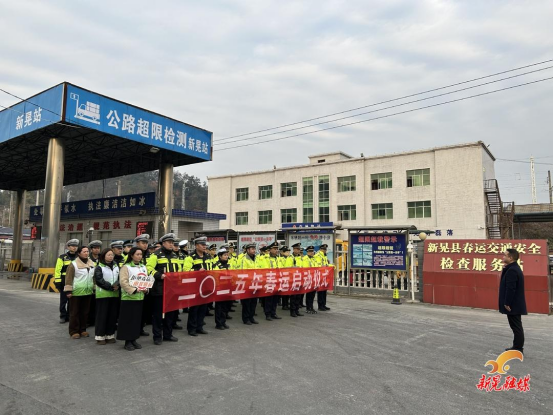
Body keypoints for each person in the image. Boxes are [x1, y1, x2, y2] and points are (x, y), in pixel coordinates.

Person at [147, 233, 181, 345]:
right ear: (163, 243)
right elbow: (148, 268)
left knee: (170, 314)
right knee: (158, 315)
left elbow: (179, 270)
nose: (172, 244)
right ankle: (157, 336)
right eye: (169, 242)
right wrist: (159, 275)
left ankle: (168, 334)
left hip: (172, 290)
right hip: (159, 289)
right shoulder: (155, 255)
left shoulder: (175, 256)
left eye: (172, 242)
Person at [118, 247, 149, 351]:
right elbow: (123, 282)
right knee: (128, 320)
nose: (140, 256)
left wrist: (146, 289)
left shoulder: (143, 267)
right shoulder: (126, 267)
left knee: (136, 320)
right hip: (128, 298)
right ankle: (127, 341)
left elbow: (146, 280)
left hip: (140, 298)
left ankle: (134, 339)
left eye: (141, 254)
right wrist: (134, 290)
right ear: (131, 255)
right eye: (137, 254)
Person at [182, 236, 213, 336]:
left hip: (205, 286)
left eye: (205, 245)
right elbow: (185, 271)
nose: (204, 246)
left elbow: (213, 268)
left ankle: (199, 327)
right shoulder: (190, 257)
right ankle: (191, 328)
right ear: (196, 246)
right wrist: (197, 271)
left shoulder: (208, 257)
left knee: (203, 308)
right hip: (195, 286)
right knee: (194, 308)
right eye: (202, 244)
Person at [499, 248, 527, 354]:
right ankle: (517, 346)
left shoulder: (512, 270)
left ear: (510, 258)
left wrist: (507, 303)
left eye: (505, 255)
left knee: (516, 326)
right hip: (514, 303)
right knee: (516, 326)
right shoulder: (513, 268)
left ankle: (518, 348)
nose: (503, 257)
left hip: (513, 304)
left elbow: (511, 288)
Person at [64, 246, 95, 339]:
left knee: (85, 312)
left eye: (87, 251)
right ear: (79, 253)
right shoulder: (73, 264)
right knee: (74, 313)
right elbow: (69, 278)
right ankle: (74, 331)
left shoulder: (92, 264)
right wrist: (68, 290)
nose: (86, 253)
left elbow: (93, 278)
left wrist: (94, 288)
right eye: (84, 251)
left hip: (88, 292)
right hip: (76, 292)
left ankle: (83, 329)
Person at [93, 248, 120, 345]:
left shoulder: (117, 266)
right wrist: (110, 287)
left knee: (112, 316)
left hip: (114, 294)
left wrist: (118, 285)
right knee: (102, 316)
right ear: (103, 256)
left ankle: (110, 335)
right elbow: (99, 280)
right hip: (103, 295)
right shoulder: (99, 267)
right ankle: (100, 336)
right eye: (108, 255)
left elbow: (120, 277)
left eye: (112, 255)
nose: (111, 257)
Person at [54, 239, 79, 324]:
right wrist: (58, 281)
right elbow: (58, 270)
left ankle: (69, 316)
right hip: (64, 280)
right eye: (72, 246)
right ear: (68, 247)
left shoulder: (79, 257)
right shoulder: (62, 257)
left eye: (76, 246)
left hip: (75, 280)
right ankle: (63, 316)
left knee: (72, 300)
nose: (74, 248)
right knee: (63, 300)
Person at [134, 233, 152, 337]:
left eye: (146, 243)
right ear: (137, 243)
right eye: (143, 243)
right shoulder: (132, 255)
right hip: (135, 286)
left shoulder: (149, 255)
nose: (145, 245)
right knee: (135, 311)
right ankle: (135, 329)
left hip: (146, 286)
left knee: (144, 309)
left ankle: (141, 328)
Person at [238, 243, 259, 325]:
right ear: (247, 250)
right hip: (247, 284)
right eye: (252, 249)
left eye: (254, 249)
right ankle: (246, 318)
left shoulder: (256, 258)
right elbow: (243, 272)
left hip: (255, 283)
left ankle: (251, 317)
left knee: (254, 302)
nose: (254, 250)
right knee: (247, 303)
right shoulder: (244, 259)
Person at [212, 247, 232, 330]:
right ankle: (218, 323)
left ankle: (223, 322)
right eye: (225, 255)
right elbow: (215, 277)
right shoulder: (216, 265)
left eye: (227, 255)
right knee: (219, 307)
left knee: (225, 306)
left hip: (227, 287)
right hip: (220, 288)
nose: (226, 256)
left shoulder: (228, 265)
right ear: (220, 256)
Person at [263, 242, 281, 321]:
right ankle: (268, 314)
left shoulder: (278, 258)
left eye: (277, 249)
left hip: (277, 281)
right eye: (274, 249)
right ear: (270, 250)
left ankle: (273, 313)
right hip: (269, 281)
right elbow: (264, 270)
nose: (276, 250)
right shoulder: (265, 258)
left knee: (275, 299)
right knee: (269, 299)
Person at [287, 243, 304, 317]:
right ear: (294, 249)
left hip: (299, 279)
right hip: (293, 279)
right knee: (293, 296)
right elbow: (288, 268)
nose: (298, 250)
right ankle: (292, 311)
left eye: (299, 249)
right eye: (297, 249)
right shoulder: (290, 258)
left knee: (298, 296)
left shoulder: (300, 258)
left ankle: (297, 310)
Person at [87, 240, 102, 326]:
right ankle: (89, 320)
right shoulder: (88, 259)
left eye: (98, 248)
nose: (97, 250)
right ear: (91, 249)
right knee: (90, 303)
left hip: (100, 282)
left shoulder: (102, 258)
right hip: (91, 282)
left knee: (98, 303)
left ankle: (97, 320)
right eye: (95, 248)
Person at [302, 246, 321, 314]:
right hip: (308, 278)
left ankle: (311, 307)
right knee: (309, 294)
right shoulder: (305, 259)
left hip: (314, 278)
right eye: (310, 251)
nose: (311, 252)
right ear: (307, 252)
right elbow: (305, 268)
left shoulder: (314, 259)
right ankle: (308, 307)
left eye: (312, 251)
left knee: (313, 294)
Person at [316, 244, 331, 311]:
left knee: (324, 291)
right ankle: (320, 305)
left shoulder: (324, 256)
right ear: (320, 249)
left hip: (325, 275)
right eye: (323, 249)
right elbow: (319, 266)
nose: (325, 250)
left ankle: (323, 304)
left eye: (325, 249)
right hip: (320, 275)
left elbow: (326, 265)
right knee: (320, 291)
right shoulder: (318, 256)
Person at [278, 246, 291, 311]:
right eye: (287, 252)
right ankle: (284, 305)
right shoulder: (279, 259)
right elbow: (280, 267)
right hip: (283, 277)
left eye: (289, 252)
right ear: (283, 252)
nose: (288, 253)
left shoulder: (290, 258)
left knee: (288, 292)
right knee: (283, 292)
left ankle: (286, 304)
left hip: (289, 277)